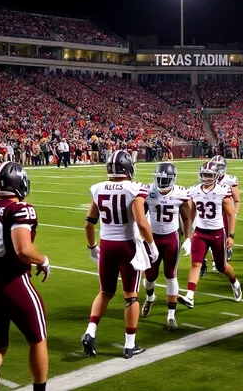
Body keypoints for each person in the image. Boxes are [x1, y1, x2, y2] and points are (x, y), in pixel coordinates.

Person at [0, 161, 51, 391]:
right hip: (14, 282)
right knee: (38, 338)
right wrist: (43, 260)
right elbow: (23, 250)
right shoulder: (20, 209)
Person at [81, 150, 158, 359]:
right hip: (127, 245)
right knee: (131, 296)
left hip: (106, 245)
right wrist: (152, 246)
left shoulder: (98, 188)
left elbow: (89, 223)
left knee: (105, 292)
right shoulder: (134, 188)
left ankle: (90, 331)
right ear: (128, 168)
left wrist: (92, 247)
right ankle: (129, 344)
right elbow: (142, 222)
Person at [177, 161, 242, 308]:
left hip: (217, 232)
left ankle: (234, 282)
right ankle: (190, 296)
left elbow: (231, 214)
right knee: (195, 264)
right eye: (204, 175)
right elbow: (190, 215)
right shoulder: (194, 190)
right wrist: (187, 235)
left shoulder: (222, 190)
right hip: (200, 233)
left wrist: (231, 235)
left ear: (216, 175)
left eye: (209, 175)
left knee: (222, 267)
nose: (206, 178)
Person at [141, 162, 192, 330]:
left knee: (171, 275)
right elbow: (139, 216)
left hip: (171, 237)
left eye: (166, 180)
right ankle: (150, 298)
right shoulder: (148, 192)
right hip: (152, 238)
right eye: (159, 179)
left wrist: (188, 238)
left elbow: (186, 218)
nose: (162, 183)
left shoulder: (181, 193)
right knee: (150, 277)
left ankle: (171, 316)